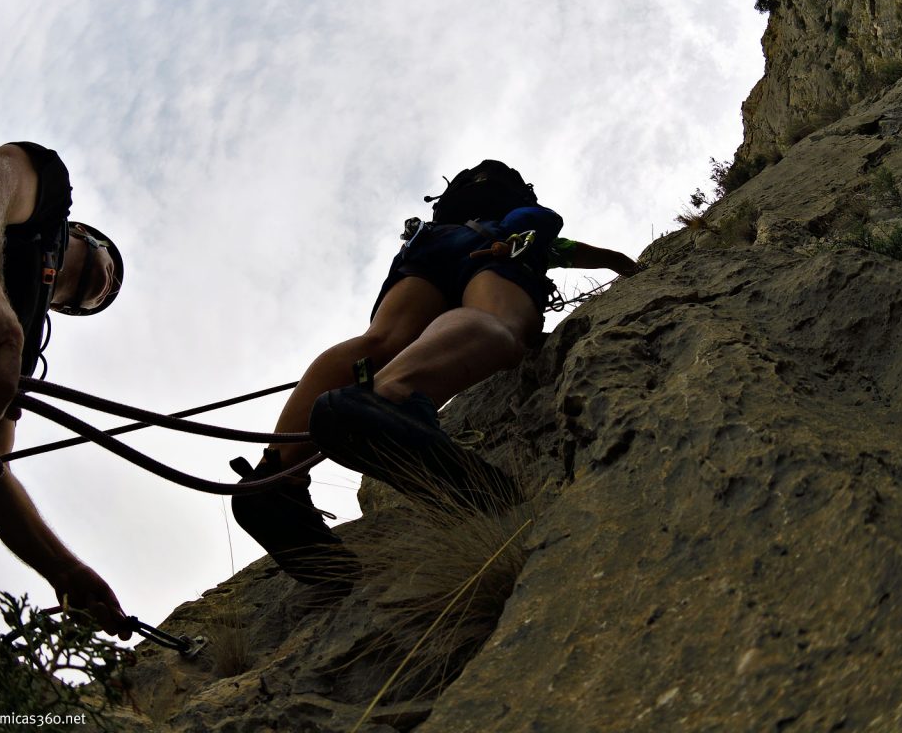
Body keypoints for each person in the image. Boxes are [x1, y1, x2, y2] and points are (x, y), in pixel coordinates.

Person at [232, 159, 638, 586]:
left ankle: (277, 477)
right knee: (495, 322)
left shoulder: (444, 222)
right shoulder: (525, 227)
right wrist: (627, 268)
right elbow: (598, 256)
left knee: (382, 341)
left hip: (424, 251)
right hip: (496, 245)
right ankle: (395, 396)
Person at [0, 142, 129, 638]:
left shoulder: (19, 352)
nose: (110, 284)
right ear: (83, 233)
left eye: (109, 296)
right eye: (113, 265)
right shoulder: (47, 207)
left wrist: (62, 570)